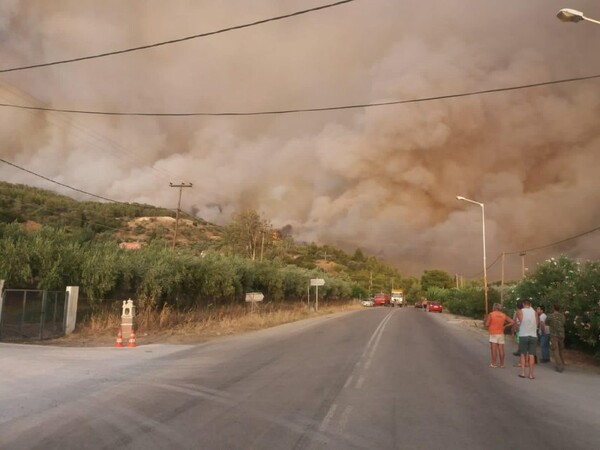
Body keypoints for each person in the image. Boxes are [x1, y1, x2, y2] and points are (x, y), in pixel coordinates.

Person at [485, 303, 515, 368]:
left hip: (493, 333)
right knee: (501, 349)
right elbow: (512, 321)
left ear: (494, 307)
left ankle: (494, 363)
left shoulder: (491, 314)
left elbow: (487, 324)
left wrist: (488, 322)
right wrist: (505, 326)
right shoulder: (503, 315)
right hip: (501, 333)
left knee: (494, 349)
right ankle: (502, 364)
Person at [517, 298, 538, 379]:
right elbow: (537, 324)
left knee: (523, 354)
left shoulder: (520, 311)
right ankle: (531, 374)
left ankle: (522, 372)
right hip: (533, 335)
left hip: (523, 335)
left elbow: (520, 321)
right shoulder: (535, 312)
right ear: (530, 305)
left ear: (523, 304)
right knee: (531, 355)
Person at [546, 304, 566, 372]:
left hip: (554, 335)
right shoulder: (562, 316)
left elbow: (546, 323)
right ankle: (563, 363)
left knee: (555, 350)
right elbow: (563, 323)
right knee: (561, 350)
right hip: (562, 335)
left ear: (553, 308)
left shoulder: (550, 316)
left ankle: (559, 366)